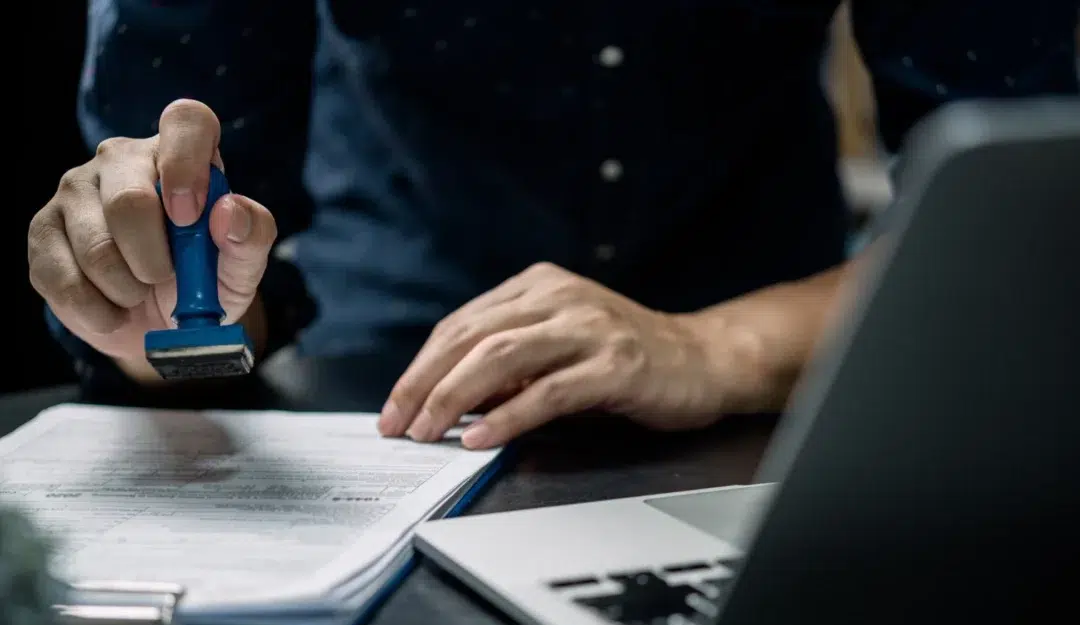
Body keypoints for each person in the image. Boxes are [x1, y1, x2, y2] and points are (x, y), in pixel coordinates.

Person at [28, 2, 1078, 450]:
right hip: (381, 421)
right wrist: (157, 337)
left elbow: (1027, 221)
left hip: (785, 400)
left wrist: (721, 345)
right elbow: (203, 321)